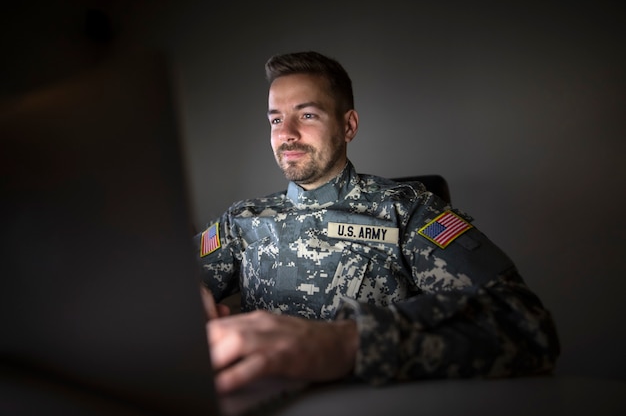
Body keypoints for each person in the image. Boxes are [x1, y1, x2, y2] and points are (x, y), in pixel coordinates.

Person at [194, 51, 560, 394]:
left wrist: (347, 344)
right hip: (261, 400)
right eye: (276, 119)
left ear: (348, 124)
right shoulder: (242, 221)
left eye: (307, 115)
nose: (286, 132)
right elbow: (161, 291)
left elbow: (526, 325)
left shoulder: (407, 212)